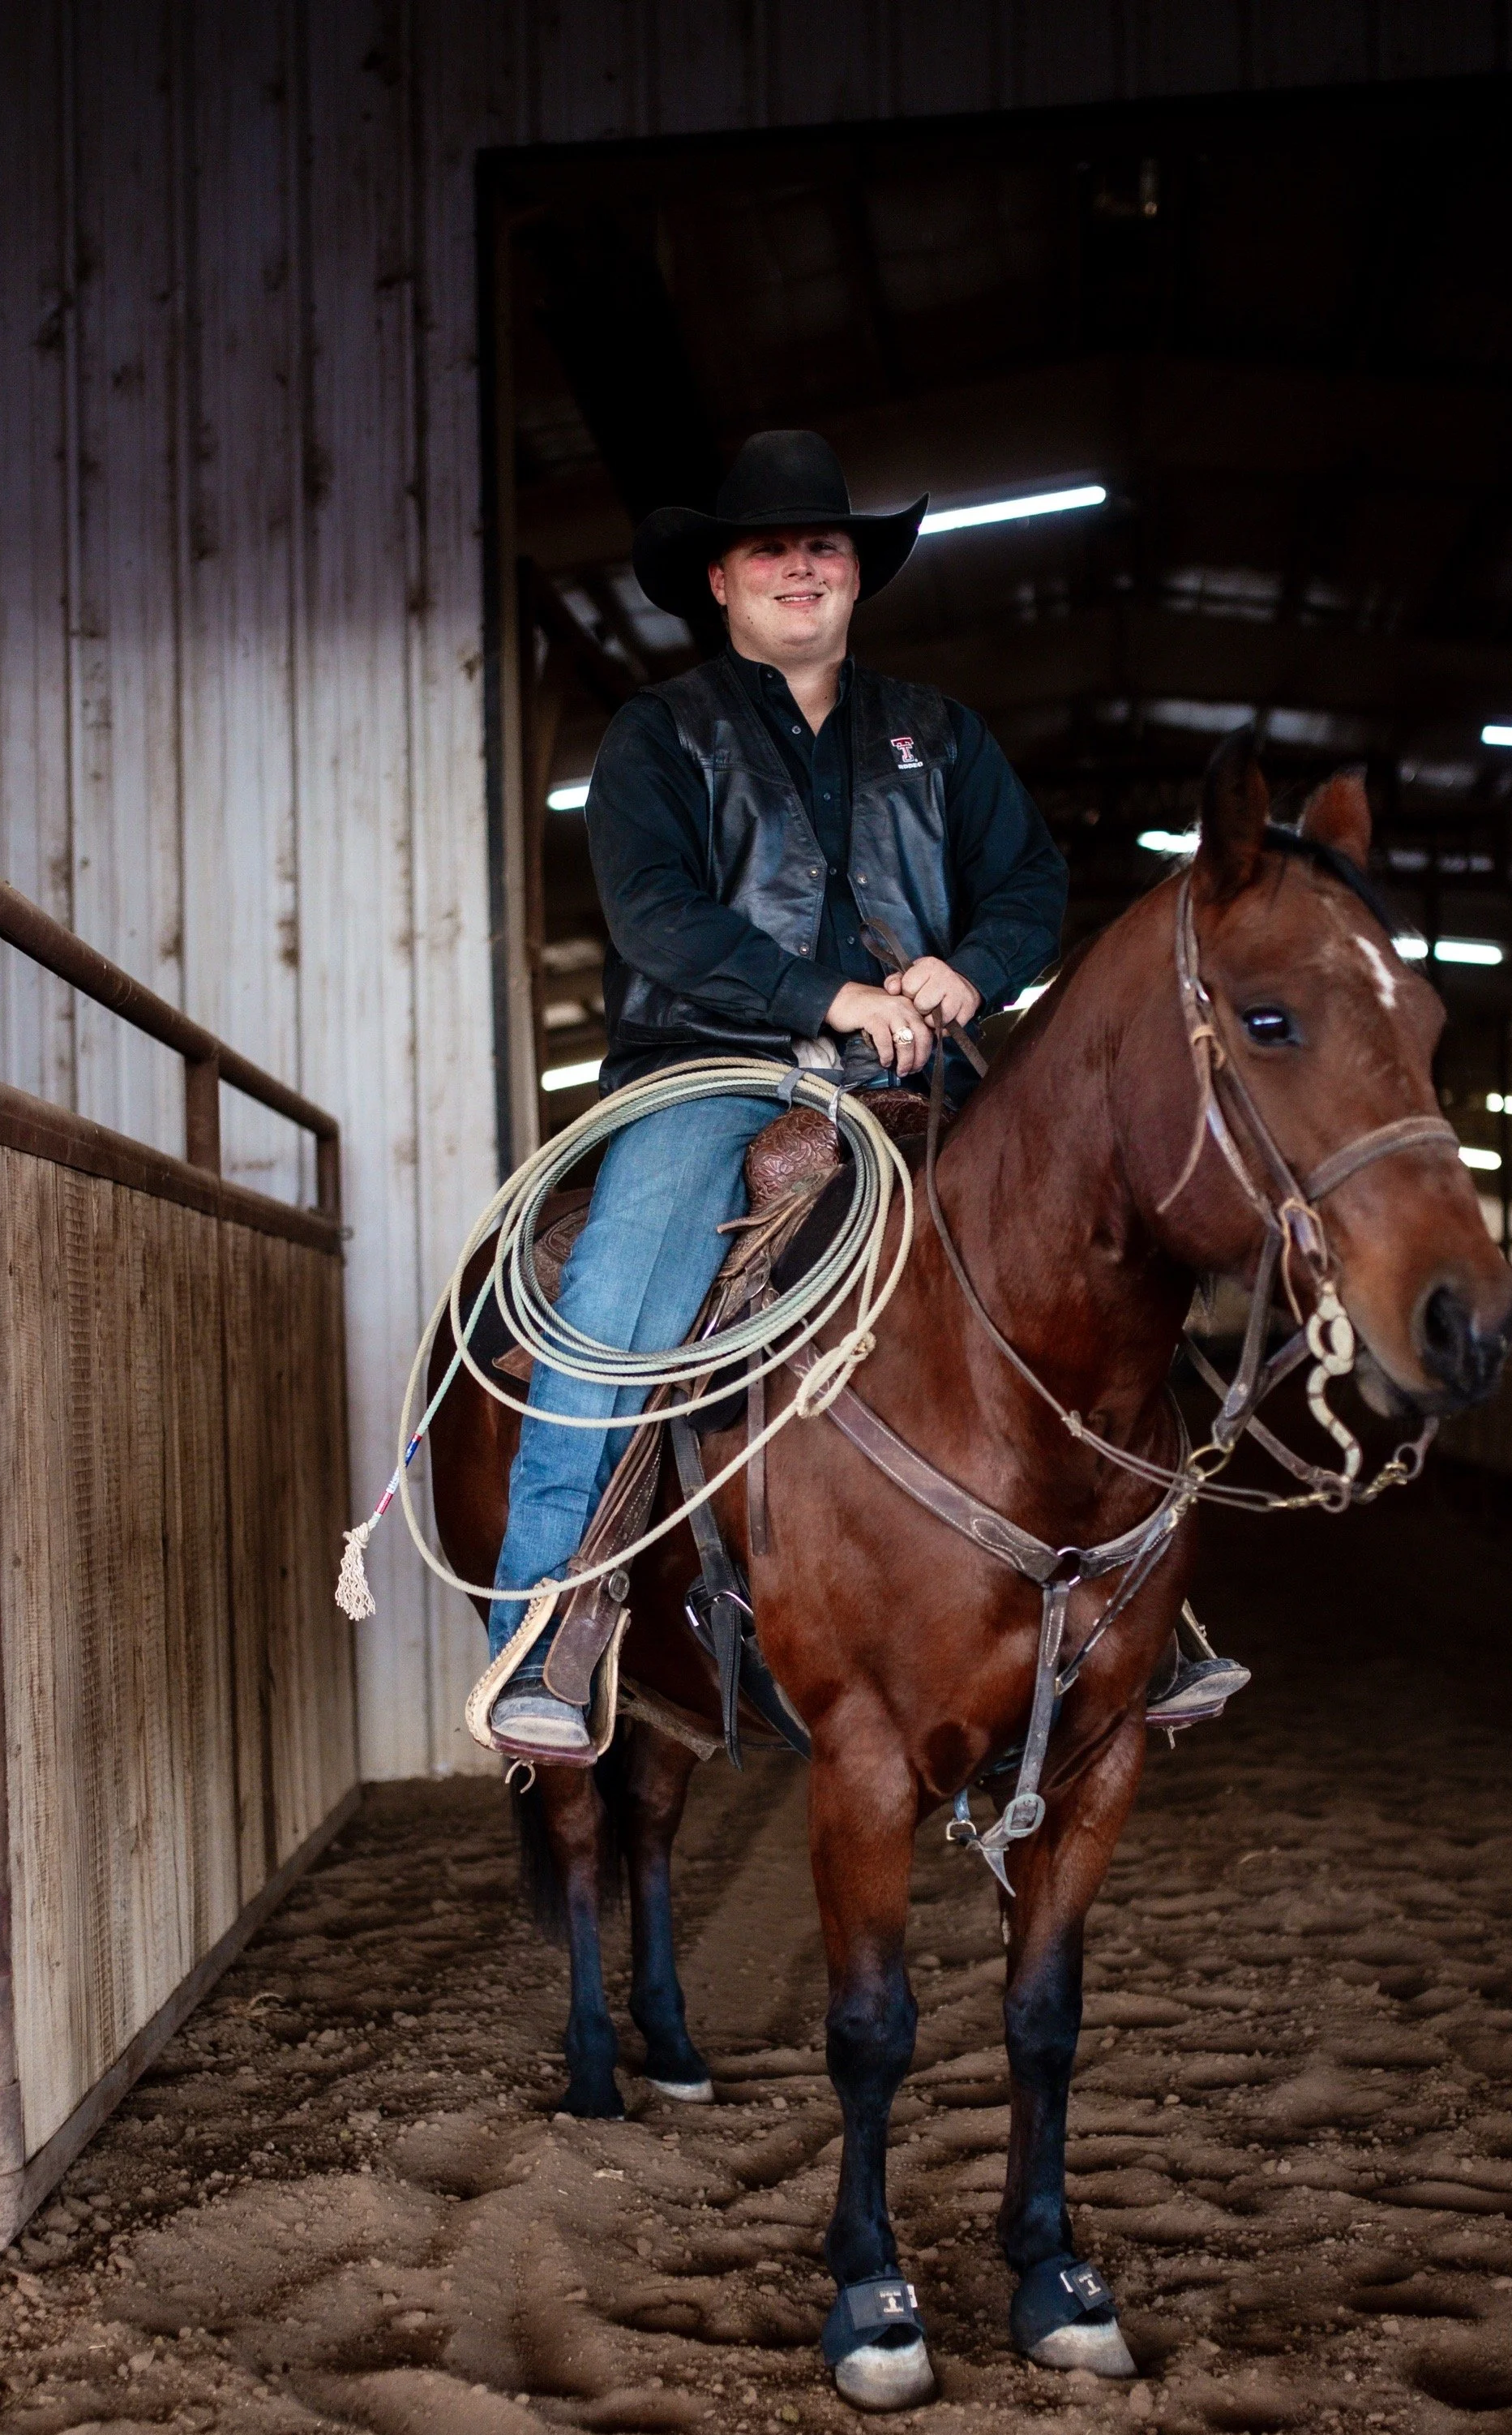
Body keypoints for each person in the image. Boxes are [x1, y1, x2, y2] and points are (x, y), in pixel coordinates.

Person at [487, 429, 1244, 1755]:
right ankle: (547, 1623)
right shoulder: (660, 736)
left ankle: (1140, 1602)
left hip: (927, 1076)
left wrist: (973, 970)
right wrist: (824, 998)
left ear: (855, 576)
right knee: (618, 1296)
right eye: (769, 546)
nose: (800, 564)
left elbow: (1031, 885)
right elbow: (656, 916)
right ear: (719, 582)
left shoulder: (940, 737)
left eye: (822, 544)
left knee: (1100, 1264)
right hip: (710, 1075)